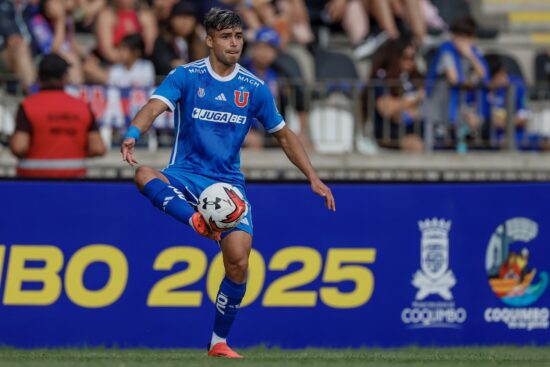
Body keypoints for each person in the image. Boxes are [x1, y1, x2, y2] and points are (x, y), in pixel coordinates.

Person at [120, 8, 335, 358]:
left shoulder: (253, 88)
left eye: (238, 36)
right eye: (225, 36)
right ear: (209, 40)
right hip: (185, 174)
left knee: (238, 259)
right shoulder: (186, 76)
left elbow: (283, 135)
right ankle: (195, 221)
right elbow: (153, 107)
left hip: (227, 185)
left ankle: (218, 342)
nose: (234, 43)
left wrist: (313, 177)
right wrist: (132, 133)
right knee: (143, 174)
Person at [10, 53, 106, 178]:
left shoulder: (28, 105)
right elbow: (98, 148)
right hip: (73, 180)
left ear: (39, 76)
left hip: (32, 182)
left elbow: (19, 147)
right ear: (65, 76)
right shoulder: (82, 107)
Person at [370, 38, 424, 152]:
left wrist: (400, 107)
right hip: (389, 133)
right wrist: (414, 99)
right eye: (405, 58)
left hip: (416, 130)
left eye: (413, 58)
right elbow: (386, 108)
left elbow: (421, 111)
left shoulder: (415, 78)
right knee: (415, 145)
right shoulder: (381, 78)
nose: (410, 62)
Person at [84, 33, 156, 87]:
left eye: (124, 49)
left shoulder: (146, 67)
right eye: (119, 49)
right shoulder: (115, 69)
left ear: (136, 52)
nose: (120, 52)